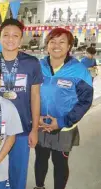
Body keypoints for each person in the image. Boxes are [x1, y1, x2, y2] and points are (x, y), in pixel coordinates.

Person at [0, 18, 43, 189]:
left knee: (18, 175)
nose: (10, 39)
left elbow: (35, 96)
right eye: (6, 35)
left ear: (21, 38)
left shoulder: (32, 63)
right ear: (0, 37)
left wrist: (34, 130)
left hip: (22, 129)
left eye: (15, 35)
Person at [34, 28, 93, 189]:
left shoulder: (79, 70)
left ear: (69, 46)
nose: (56, 45)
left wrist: (62, 121)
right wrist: (35, 117)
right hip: (40, 124)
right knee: (40, 158)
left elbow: (85, 101)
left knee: (60, 162)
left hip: (64, 127)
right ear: (47, 45)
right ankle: (39, 186)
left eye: (62, 42)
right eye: (52, 41)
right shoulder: (38, 66)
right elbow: (30, 94)